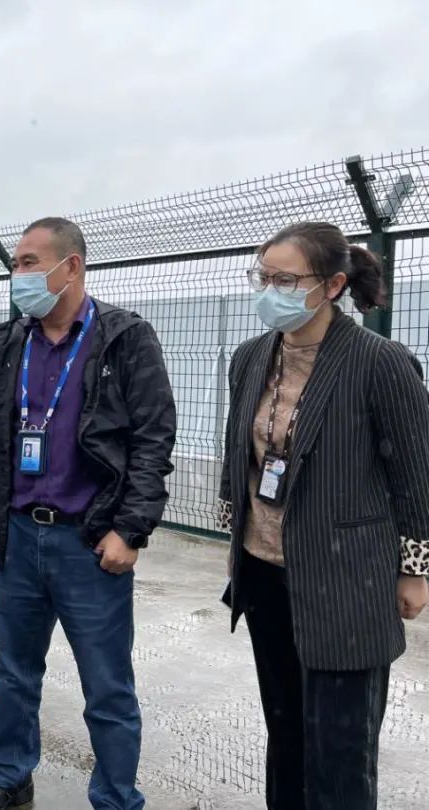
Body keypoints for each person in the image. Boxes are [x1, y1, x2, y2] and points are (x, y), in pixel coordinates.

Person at [0, 218, 177, 810]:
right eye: (15, 263)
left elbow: (153, 438)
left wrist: (130, 529)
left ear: (71, 266)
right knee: (14, 673)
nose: (18, 274)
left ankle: (116, 797)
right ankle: (8, 776)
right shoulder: (10, 342)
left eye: (29, 262)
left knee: (107, 684)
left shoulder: (125, 338)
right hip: (17, 536)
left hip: (89, 543)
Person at [218, 221, 429, 809]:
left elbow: (416, 476)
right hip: (264, 573)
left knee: (340, 750)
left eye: (286, 280)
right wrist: (235, 541)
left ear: (333, 285)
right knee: (285, 732)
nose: (271, 291)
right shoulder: (250, 358)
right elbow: (238, 454)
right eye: (264, 278)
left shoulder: (380, 362)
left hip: (348, 583)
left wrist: (414, 570)